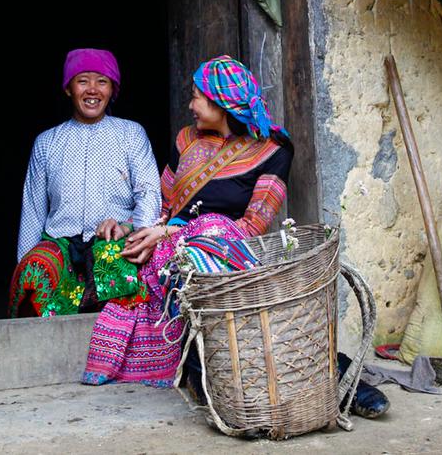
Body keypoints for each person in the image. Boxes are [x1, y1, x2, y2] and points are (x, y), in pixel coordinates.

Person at [82, 54, 293, 388]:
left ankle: (204, 367)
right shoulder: (185, 140)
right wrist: (131, 227)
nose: (191, 105)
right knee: (111, 252)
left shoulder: (273, 151)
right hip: (168, 250)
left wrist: (174, 234)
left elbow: (252, 227)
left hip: (223, 255)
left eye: (196, 97)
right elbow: (164, 206)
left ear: (221, 103)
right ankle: (191, 363)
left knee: (212, 226)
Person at [8, 48, 161, 318]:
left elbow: (148, 192)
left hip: (114, 240)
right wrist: (24, 263)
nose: (92, 89)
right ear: (69, 89)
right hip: (61, 243)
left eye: (102, 81)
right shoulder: (47, 143)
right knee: (35, 268)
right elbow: (33, 209)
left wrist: (135, 233)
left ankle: (114, 339)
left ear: (112, 89)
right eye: (82, 81)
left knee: (117, 268)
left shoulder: (131, 134)